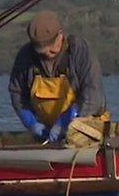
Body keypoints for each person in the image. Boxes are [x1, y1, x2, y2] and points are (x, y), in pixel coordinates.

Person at [8, 11, 107, 144]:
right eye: (42, 52)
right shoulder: (26, 57)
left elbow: (93, 96)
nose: (48, 54)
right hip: (47, 133)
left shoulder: (80, 51)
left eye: (52, 49)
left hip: (87, 129)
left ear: (60, 35)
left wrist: (67, 120)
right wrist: (32, 123)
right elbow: (17, 93)